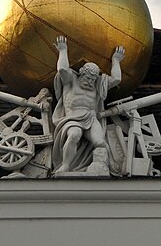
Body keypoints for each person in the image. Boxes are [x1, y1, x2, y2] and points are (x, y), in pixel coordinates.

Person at [51, 36, 124, 174]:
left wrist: (116, 60)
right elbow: (62, 69)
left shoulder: (97, 85)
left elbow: (116, 79)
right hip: (72, 119)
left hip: (91, 118)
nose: (89, 82)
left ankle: (108, 164)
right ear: (81, 74)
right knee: (74, 135)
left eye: (92, 79)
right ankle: (66, 165)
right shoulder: (70, 81)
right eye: (87, 78)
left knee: (100, 143)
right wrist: (63, 50)